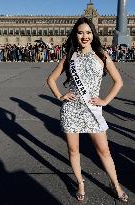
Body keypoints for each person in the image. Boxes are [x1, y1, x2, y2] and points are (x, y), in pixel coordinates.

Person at [47, 17, 128, 203]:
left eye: (88, 32)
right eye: (81, 32)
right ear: (75, 34)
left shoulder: (102, 55)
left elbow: (119, 81)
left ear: (93, 34)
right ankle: (80, 183)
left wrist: (105, 100)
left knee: (104, 151)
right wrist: (60, 96)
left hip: (92, 108)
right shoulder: (69, 56)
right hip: (72, 109)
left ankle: (115, 185)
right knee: (73, 150)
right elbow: (51, 79)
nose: (85, 36)